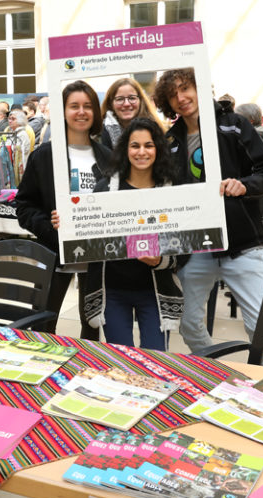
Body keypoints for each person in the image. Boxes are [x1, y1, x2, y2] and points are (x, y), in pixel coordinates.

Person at [152, 67, 263, 354]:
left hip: (242, 244)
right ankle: (212, 368)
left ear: (199, 88)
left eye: (186, 88)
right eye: (172, 94)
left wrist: (244, 185)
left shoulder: (235, 125)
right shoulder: (170, 141)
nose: (181, 98)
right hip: (195, 247)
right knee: (189, 325)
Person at [16, 80, 111, 340]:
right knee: (43, 327)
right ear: (63, 111)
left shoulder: (108, 157)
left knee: (92, 326)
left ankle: (86, 364)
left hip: (97, 258)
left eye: (88, 106)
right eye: (74, 106)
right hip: (54, 254)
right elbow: (24, 206)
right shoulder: (44, 156)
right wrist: (50, 226)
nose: (81, 112)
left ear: (95, 112)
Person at [80, 118, 184, 350]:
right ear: (125, 150)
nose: (141, 152)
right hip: (112, 291)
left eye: (149, 145)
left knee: (155, 358)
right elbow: (87, 236)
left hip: (154, 291)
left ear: (158, 149)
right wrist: (66, 224)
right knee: (122, 358)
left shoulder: (172, 190)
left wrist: (160, 260)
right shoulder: (104, 189)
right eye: (135, 145)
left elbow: (186, 246)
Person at [99, 77, 163, 149]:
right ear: (110, 104)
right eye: (120, 99)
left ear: (140, 101)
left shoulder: (155, 130)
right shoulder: (98, 135)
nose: (126, 104)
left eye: (132, 98)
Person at [8, 109, 32, 175]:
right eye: (9, 118)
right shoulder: (11, 133)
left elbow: (23, 156)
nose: (10, 121)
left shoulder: (22, 135)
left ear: (20, 120)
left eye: (13, 119)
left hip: (20, 170)